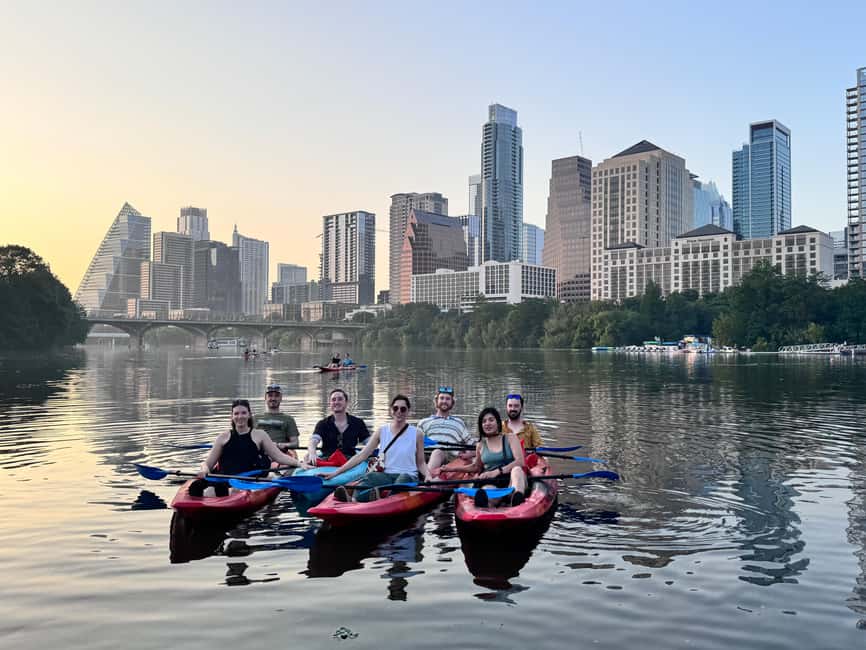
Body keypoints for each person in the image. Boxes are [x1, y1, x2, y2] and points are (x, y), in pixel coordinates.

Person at [324, 394, 432, 502]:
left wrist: (427, 475)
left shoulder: (417, 434)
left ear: (408, 412)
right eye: (395, 408)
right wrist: (336, 473)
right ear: (391, 410)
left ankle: (384, 501)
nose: (399, 411)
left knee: (402, 480)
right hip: (387, 475)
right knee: (371, 477)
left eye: (403, 409)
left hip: (408, 475)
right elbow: (362, 455)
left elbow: (421, 463)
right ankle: (354, 499)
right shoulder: (382, 431)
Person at [190, 399, 305, 497]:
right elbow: (208, 463)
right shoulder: (223, 437)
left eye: (243, 413)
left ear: (249, 415)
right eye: (236, 413)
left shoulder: (260, 435)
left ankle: (219, 493)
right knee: (195, 488)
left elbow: (278, 456)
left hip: (250, 481)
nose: (240, 417)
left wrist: (299, 464)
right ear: (232, 416)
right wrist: (204, 470)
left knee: (221, 491)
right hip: (225, 478)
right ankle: (218, 492)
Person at [468, 406, 527, 508]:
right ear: (481, 426)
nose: (487, 423)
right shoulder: (480, 445)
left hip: (511, 481)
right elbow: (477, 468)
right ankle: (489, 503)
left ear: (498, 423)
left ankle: (516, 499)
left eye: (491, 420)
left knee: (517, 470)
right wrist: (448, 469)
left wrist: (497, 471)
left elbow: (520, 461)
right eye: (484, 421)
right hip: (493, 483)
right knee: (487, 491)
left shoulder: (510, 437)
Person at [304, 388, 371, 466]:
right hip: (328, 458)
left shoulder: (358, 422)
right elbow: (313, 441)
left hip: (351, 460)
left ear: (346, 403)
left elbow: (369, 441)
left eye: (340, 399)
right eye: (333, 400)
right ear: (330, 404)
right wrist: (312, 453)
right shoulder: (322, 424)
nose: (336, 402)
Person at [417, 386, 475, 472]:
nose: (444, 401)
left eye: (448, 399)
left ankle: (427, 479)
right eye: (442, 398)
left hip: (450, 457)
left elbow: (470, 443)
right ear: (436, 401)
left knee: (437, 452)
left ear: (452, 403)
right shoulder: (423, 422)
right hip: (426, 455)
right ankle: (428, 477)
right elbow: (416, 443)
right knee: (436, 452)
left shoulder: (459, 422)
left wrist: (470, 454)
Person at [255, 384, 300, 454]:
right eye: (270, 396)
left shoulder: (288, 419)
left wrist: (283, 445)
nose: (273, 398)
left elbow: (295, 443)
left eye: (276, 396)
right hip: (260, 454)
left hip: (280, 454)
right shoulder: (255, 418)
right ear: (265, 398)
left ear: (281, 398)